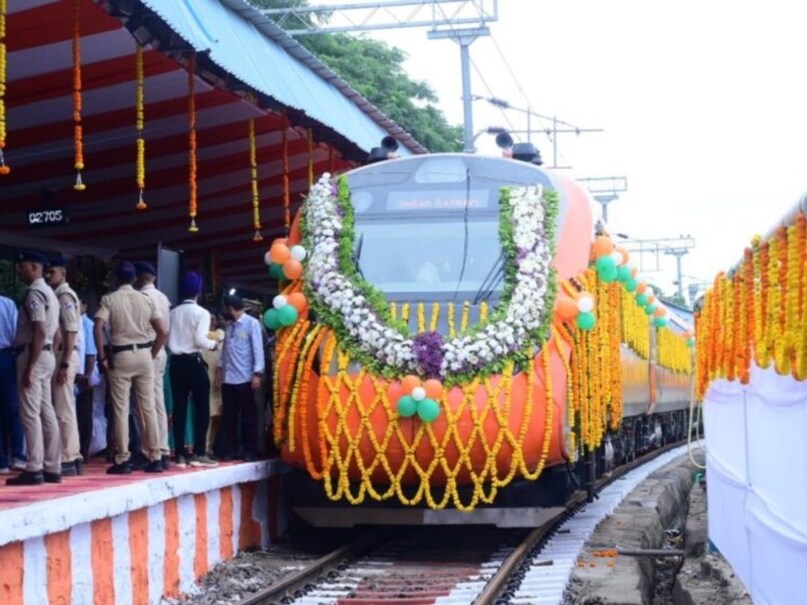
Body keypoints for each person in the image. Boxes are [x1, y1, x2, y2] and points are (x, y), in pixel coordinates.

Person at [94, 262, 167, 474]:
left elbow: (98, 327)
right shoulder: (145, 299)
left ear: (116, 279)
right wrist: (151, 354)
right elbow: (163, 331)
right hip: (144, 355)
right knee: (148, 408)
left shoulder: (109, 299)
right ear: (135, 279)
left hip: (121, 355)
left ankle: (122, 459)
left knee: (121, 409)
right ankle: (155, 456)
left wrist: (102, 357)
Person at [7, 251, 62, 485]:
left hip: (34, 353)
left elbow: (39, 330)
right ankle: (52, 466)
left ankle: (34, 466)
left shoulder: (35, 294)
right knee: (46, 410)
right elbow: (56, 333)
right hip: (46, 353)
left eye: (22, 267)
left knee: (30, 413)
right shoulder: (51, 292)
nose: (19, 271)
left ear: (34, 267)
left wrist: (30, 366)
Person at [167, 272, 219, 468]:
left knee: (179, 408)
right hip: (194, 362)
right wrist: (214, 344)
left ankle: (180, 453)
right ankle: (198, 453)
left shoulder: (172, 312)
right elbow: (200, 340)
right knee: (202, 408)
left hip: (176, 363)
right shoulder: (202, 313)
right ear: (199, 291)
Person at [44, 256, 84, 476]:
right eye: (47, 272)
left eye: (52, 272)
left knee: (63, 409)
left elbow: (70, 330)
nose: (48, 275)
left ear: (63, 273)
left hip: (64, 355)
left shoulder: (64, 295)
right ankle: (72, 455)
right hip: (62, 355)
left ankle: (68, 456)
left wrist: (66, 363)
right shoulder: (57, 294)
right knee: (64, 406)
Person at [217, 294, 265, 461]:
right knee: (229, 415)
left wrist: (257, 373)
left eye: (225, 309)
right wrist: (220, 369)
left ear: (231, 309)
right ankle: (232, 448)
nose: (223, 313)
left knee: (248, 416)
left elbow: (257, 349)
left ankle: (251, 449)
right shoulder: (230, 325)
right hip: (228, 377)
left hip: (245, 377)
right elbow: (225, 349)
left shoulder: (252, 324)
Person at [134, 261, 172, 469]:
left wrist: (150, 354)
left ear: (139, 278)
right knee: (158, 402)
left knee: (145, 404)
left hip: (149, 349)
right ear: (154, 278)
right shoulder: (163, 297)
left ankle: (151, 450)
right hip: (161, 351)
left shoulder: (142, 297)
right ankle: (162, 448)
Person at [0, 294, 26, 474]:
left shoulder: (7, 304)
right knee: (11, 406)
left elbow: (18, 334)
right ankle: (9, 457)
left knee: (12, 406)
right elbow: (18, 334)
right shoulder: (7, 304)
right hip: (7, 356)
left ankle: (12, 456)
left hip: (6, 356)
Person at [75, 298, 99, 462]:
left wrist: (87, 375)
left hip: (84, 374)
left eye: (79, 303)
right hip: (74, 373)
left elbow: (91, 353)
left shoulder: (87, 324)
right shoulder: (73, 322)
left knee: (84, 413)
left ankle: (84, 450)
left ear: (85, 306)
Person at [203, 312, 225, 457]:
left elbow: (219, 339)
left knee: (217, 415)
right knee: (206, 414)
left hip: (218, 378)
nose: (211, 321)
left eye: (213, 319)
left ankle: (213, 446)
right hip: (205, 377)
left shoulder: (220, 334)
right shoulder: (200, 335)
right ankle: (205, 447)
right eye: (208, 319)